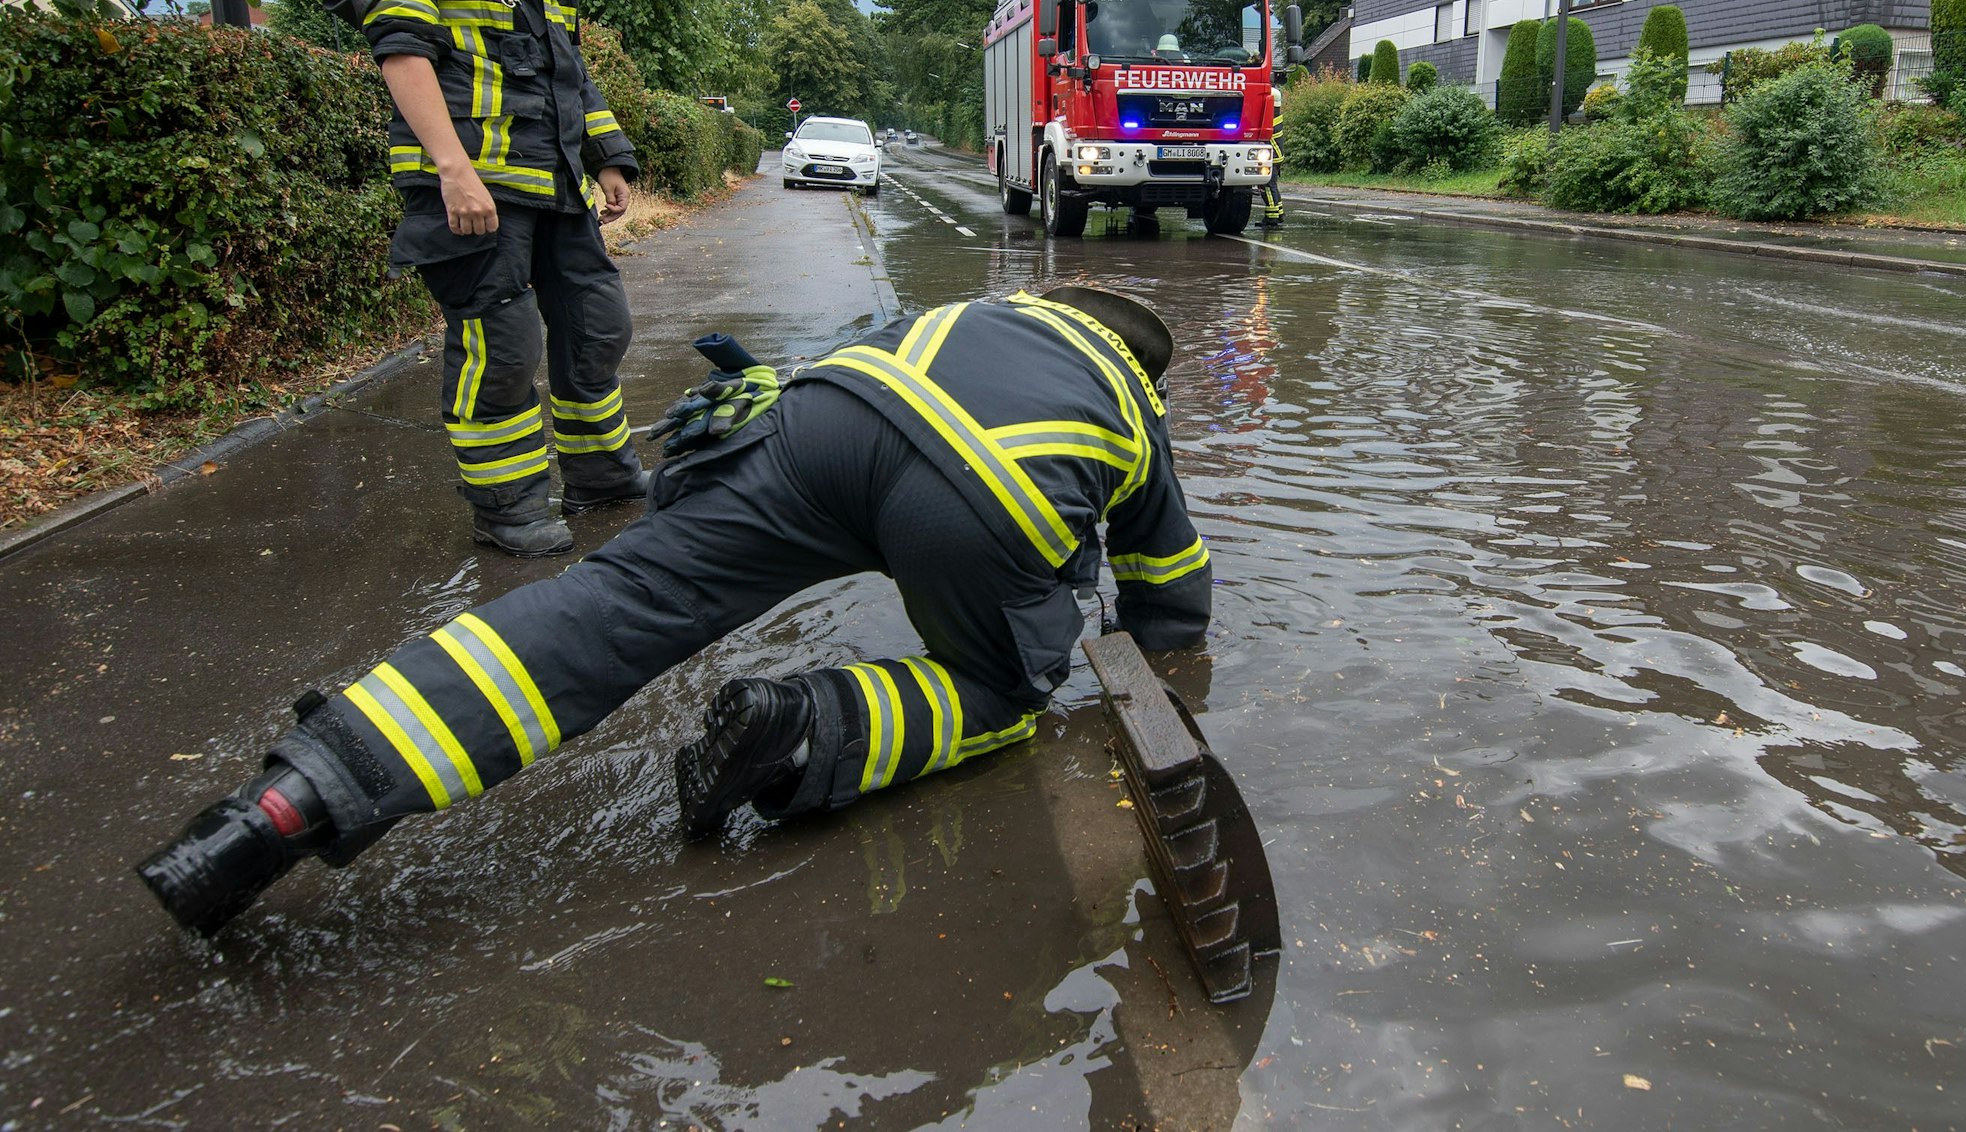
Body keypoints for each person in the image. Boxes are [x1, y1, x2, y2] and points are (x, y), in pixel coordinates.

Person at [137, 288, 1214, 937]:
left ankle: (286, 804)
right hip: (988, 497)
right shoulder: (1132, 408)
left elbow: (830, 364)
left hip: (821, 426)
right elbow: (1171, 593)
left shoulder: (971, 312)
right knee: (1000, 689)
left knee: (615, 600)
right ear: (1143, 365)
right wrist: (1155, 663)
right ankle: (798, 733)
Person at [320, 0, 648, 558]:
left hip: (553, 183)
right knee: (501, 353)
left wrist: (609, 156)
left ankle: (601, 474)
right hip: (477, 184)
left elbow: (564, 61)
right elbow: (401, 48)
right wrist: (451, 169)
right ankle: (508, 508)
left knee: (596, 329)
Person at [1259, 84, 1285, 225]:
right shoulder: (1276, 121)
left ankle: (1271, 216)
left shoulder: (1271, 124)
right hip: (1276, 158)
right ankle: (1279, 213)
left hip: (1272, 158)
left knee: (1267, 186)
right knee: (1273, 186)